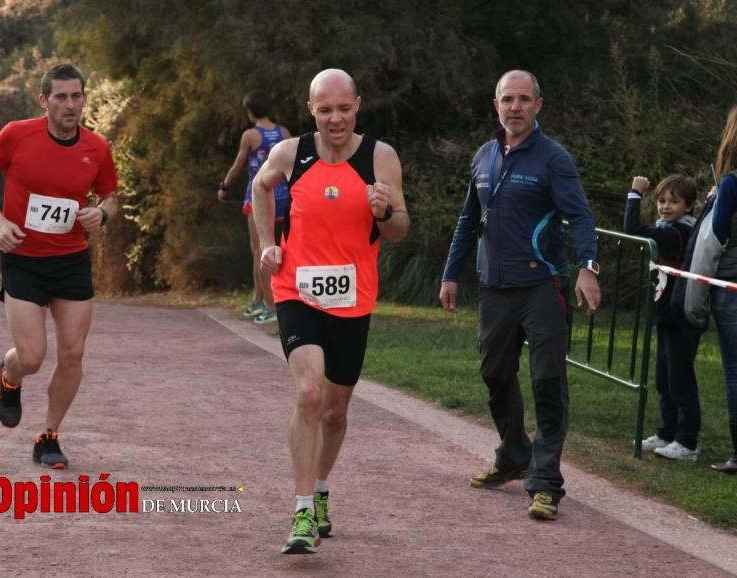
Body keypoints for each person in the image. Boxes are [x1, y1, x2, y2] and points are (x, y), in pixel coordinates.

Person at [252, 68, 409, 554]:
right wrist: (265, 243)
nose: (335, 118)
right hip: (296, 290)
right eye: (325, 110)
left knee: (337, 413)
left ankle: (320, 491)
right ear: (311, 109)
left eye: (343, 109)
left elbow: (400, 229)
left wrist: (385, 213)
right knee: (311, 392)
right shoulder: (290, 153)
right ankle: (301, 513)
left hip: (352, 298)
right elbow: (261, 187)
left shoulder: (379, 158)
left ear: (357, 105)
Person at [439, 70, 601, 522]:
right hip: (494, 288)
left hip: (542, 285)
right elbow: (467, 220)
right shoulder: (484, 156)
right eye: (507, 99)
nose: (515, 107)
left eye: (523, 99)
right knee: (495, 376)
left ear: (538, 105)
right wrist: (451, 275)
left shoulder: (554, 159)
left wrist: (588, 269)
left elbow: (581, 218)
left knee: (547, 380)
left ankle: (546, 481)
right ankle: (513, 454)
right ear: (496, 105)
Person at [0, 63, 118, 470]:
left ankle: (49, 436)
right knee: (32, 356)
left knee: (73, 352)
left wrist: (101, 215)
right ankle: (10, 375)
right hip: (23, 259)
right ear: (44, 101)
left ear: (85, 98)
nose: (70, 105)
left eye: (77, 96)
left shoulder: (97, 148)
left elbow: (110, 197)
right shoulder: (18, 135)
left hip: (71, 258)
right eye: (61, 97)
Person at [625, 174, 701, 461]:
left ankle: (687, 442)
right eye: (661, 201)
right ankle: (667, 433)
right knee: (664, 379)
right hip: (666, 315)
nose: (666, 207)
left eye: (674, 201)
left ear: (689, 206)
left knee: (680, 380)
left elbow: (631, 228)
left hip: (680, 314)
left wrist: (635, 193)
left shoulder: (675, 233)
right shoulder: (667, 227)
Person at [683, 105, 737, 474]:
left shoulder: (731, 183)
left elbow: (713, 241)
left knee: (735, 370)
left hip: (730, 287)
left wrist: (693, 298)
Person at [218, 90, 291, 324]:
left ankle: (271, 305)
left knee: (260, 250)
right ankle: (258, 299)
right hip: (283, 195)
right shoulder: (284, 133)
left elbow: (238, 167)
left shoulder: (250, 135)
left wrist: (224, 187)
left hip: (259, 196)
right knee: (276, 248)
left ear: (250, 112)